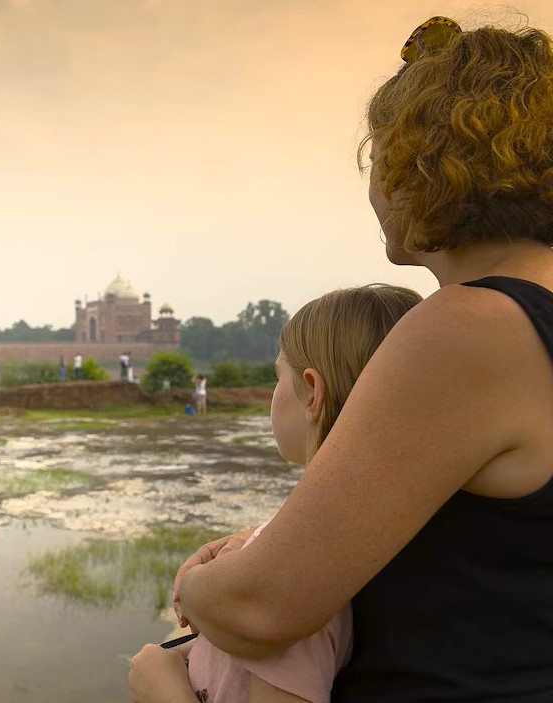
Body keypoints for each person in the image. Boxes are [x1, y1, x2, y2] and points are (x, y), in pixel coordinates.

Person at [158, 19, 553, 702]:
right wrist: (265, 540)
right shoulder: (525, 324)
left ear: (419, 165)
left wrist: (193, 586)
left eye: (379, 159)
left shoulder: (472, 327)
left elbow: (259, 609)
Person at [129, 284, 422, 703]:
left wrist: (163, 689)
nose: (273, 392)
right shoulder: (401, 530)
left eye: (277, 376)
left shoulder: (298, 575)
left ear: (312, 392)